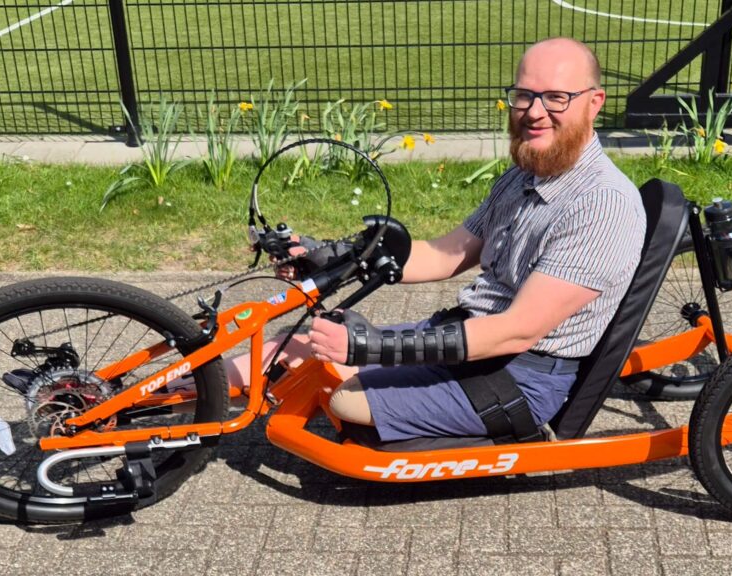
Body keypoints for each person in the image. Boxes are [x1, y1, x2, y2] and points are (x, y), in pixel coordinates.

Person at [230, 36, 646, 444]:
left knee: (342, 395)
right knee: (291, 349)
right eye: (524, 95)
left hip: (518, 377)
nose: (534, 112)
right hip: (471, 340)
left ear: (595, 103)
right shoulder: (524, 176)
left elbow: (517, 332)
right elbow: (445, 256)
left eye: (557, 97)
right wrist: (335, 255)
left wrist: (373, 348)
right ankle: (170, 401)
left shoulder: (602, 205)